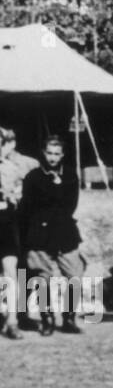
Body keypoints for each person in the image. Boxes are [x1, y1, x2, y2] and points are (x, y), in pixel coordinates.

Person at [21, 136, 84, 335]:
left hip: (65, 233)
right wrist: (53, 187)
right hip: (40, 234)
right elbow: (29, 206)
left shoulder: (71, 175)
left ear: (63, 155)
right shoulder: (32, 177)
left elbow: (70, 205)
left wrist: (56, 188)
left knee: (75, 275)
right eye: (49, 153)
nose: (53, 158)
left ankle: (69, 318)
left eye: (57, 154)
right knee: (43, 278)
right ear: (43, 153)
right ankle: (47, 318)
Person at [0, 128, 32, 339]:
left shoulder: (11, 168)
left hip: (5, 221)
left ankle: (12, 321)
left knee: (10, 271)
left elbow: (19, 195)